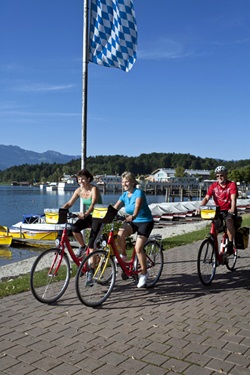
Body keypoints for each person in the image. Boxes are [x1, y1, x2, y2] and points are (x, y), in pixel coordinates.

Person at [113, 172, 154, 288]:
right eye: (122, 182)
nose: (124, 184)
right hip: (133, 221)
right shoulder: (124, 195)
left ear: (132, 182)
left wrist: (133, 216)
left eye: (126, 181)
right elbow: (115, 207)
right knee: (120, 234)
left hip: (145, 221)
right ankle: (124, 255)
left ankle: (144, 274)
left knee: (138, 248)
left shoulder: (138, 193)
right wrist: (106, 215)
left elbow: (137, 207)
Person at [62, 169, 103, 258]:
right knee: (74, 228)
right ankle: (83, 247)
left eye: (83, 179)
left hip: (99, 215)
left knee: (92, 242)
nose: (80, 181)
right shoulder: (78, 190)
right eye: (79, 179)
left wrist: (85, 214)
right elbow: (69, 203)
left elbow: (93, 204)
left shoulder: (93, 189)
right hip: (89, 216)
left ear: (88, 179)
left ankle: (92, 268)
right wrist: (60, 211)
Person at [200, 165, 238, 254]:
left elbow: (233, 198)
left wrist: (232, 208)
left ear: (226, 175)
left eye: (221, 175)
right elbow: (206, 198)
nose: (219, 177)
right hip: (218, 210)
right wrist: (200, 207)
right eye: (217, 176)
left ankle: (230, 245)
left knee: (229, 222)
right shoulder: (213, 186)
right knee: (214, 228)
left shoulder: (231, 185)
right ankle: (215, 249)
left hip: (228, 210)